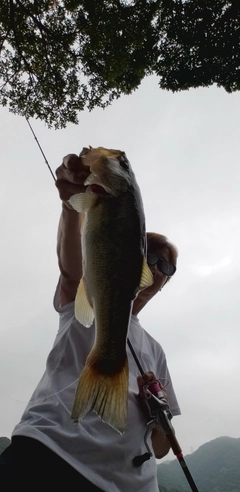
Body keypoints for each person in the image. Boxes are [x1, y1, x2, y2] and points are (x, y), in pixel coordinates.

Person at [0, 153, 181, 491]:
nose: (157, 268)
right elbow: (71, 270)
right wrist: (71, 206)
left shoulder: (155, 353)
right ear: (134, 253)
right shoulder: (83, 298)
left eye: (167, 267)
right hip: (50, 455)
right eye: (152, 257)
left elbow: (159, 448)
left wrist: (156, 413)